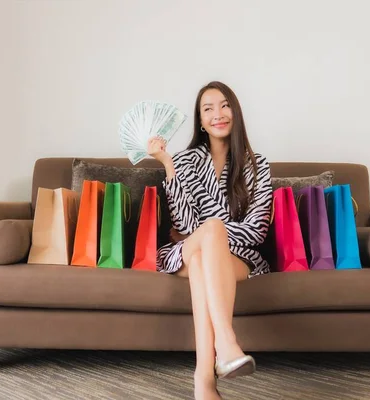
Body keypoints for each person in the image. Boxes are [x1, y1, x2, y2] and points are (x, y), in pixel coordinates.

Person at [147, 81, 273, 400]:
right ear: (200, 121)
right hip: (184, 253)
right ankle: (226, 345)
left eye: (224, 105)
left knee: (207, 253)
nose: (218, 114)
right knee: (209, 234)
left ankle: (204, 381)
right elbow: (185, 225)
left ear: (235, 111)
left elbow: (257, 230)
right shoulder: (185, 162)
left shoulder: (257, 165)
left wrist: (212, 236)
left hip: (239, 259)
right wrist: (167, 166)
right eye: (208, 109)